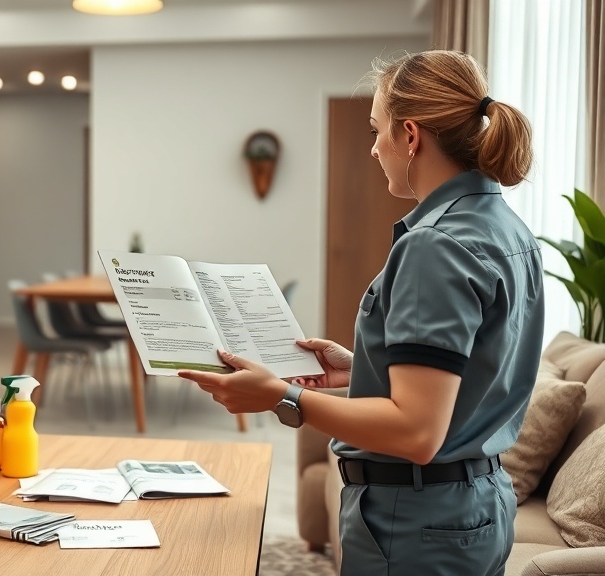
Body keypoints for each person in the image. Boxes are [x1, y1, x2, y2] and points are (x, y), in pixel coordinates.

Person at [179, 50, 543, 576]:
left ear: (410, 136)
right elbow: (476, 371)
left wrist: (281, 396)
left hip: (415, 523)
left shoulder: (434, 246)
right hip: (476, 505)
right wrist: (363, 368)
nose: (373, 148)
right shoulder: (509, 229)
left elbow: (416, 432)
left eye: (376, 130)